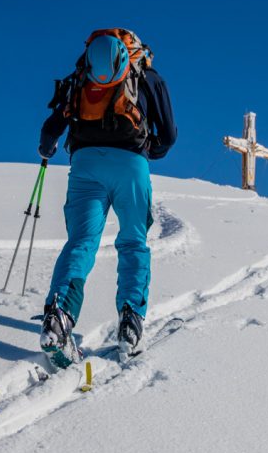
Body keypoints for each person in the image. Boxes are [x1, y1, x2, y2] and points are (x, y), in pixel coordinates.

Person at [36, 29, 176, 367]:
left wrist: (47, 147)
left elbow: (51, 127)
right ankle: (130, 322)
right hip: (130, 165)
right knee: (133, 242)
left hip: (85, 165)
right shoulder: (147, 77)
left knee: (81, 242)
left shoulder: (80, 78)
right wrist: (148, 150)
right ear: (136, 52)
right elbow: (168, 134)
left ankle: (59, 316)